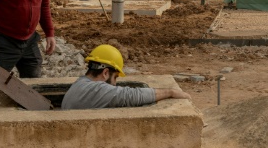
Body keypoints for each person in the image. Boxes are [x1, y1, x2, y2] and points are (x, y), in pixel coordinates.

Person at [61, 44, 191, 110]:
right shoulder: (96, 90)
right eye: (115, 77)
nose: (116, 83)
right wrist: (170, 92)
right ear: (105, 73)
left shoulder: (81, 83)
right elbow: (130, 95)